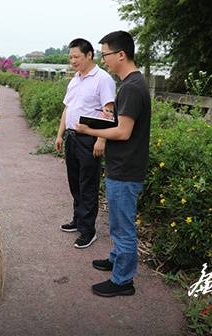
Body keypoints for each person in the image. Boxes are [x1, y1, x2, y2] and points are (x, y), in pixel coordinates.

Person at [75, 31, 151, 297]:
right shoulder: (131, 84)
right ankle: (116, 259)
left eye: (106, 54)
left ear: (121, 54)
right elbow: (120, 124)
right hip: (123, 165)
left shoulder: (131, 87)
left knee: (123, 226)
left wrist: (89, 131)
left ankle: (123, 281)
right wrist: (104, 118)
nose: (104, 60)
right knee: (118, 221)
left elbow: (123, 132)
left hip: (126, 168)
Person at [56, 38, 116, 248]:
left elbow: (108, 111)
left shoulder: (102, 79)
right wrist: (59, 134)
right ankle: (78, 219)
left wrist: (101, 139)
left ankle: (88, 230)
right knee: (74, 182)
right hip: (72, 137)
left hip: (90, 139)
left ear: (89, 55)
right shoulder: (75, 79)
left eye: (77, 57)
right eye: (70, 57)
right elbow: (67, 108)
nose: (73, 61)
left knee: (88, 184)